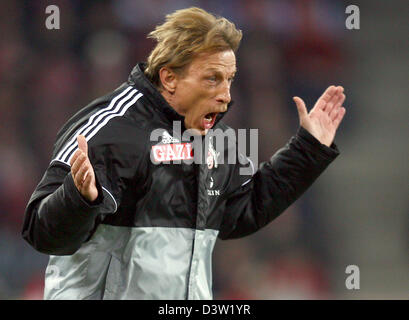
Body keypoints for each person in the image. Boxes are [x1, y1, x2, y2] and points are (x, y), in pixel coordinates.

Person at [22, 7, 346, 300]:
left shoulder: (215, 139)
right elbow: (40, 232)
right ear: (170, 77)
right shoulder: (109, 129)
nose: (226, 96)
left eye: (229, 80)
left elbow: (240, 212)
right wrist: (78, 199)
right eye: (212, 79)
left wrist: (307, 149)